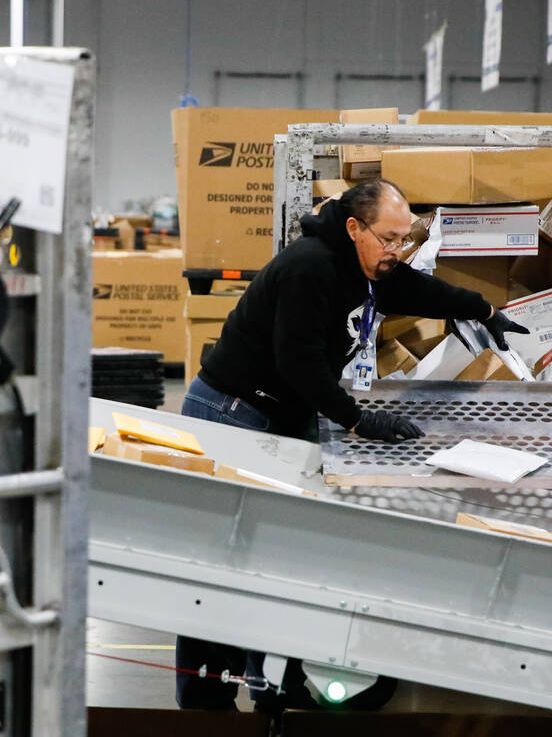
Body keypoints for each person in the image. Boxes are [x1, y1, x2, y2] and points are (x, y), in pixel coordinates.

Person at [176, 178, 529, 711]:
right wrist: (359, 422)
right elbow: (299, 363)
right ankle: (204, 707)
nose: (397, 251)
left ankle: (264, 682)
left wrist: (481, 310)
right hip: (233, 412)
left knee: (270, 557)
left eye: (404, 239)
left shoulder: (369, 266)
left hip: (277, 414)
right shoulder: (310, 268)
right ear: (353, 228)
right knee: (221, 562)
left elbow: (416, 288)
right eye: (388, 239)